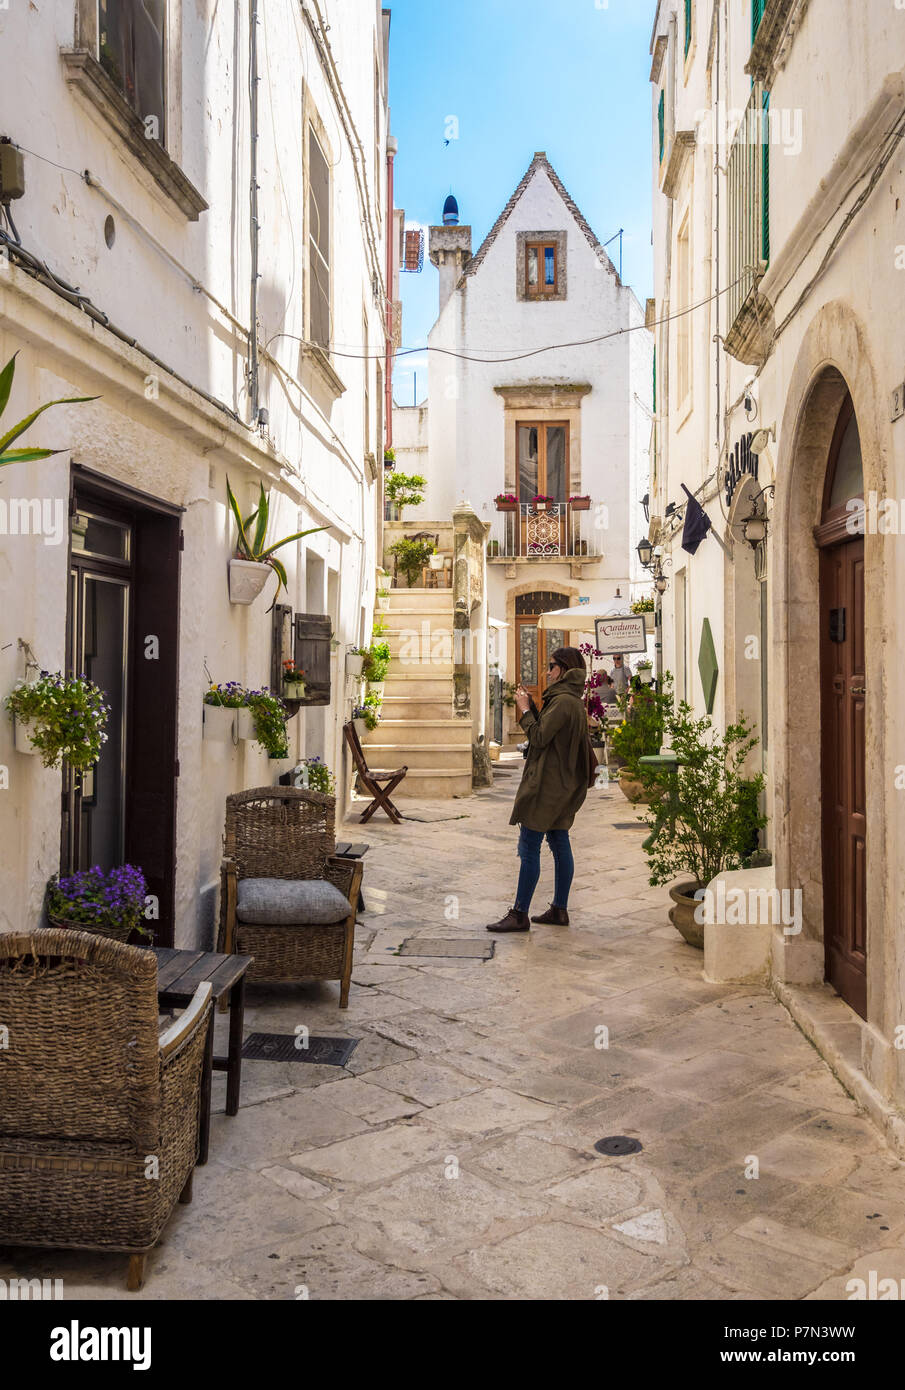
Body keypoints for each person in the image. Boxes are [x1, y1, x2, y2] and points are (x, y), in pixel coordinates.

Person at [486, 647, 591, 933]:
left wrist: (522, 710)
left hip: (548, 785)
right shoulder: (568, 700)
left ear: (564, 670)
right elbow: (549, 732)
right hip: (561, 783)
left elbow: (539, 736)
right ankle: (559, 909)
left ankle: (520, 913)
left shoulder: (563, 702)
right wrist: (532, 708)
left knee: (529, 846)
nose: (546, 672)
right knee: (559, 842)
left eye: (552, 666)